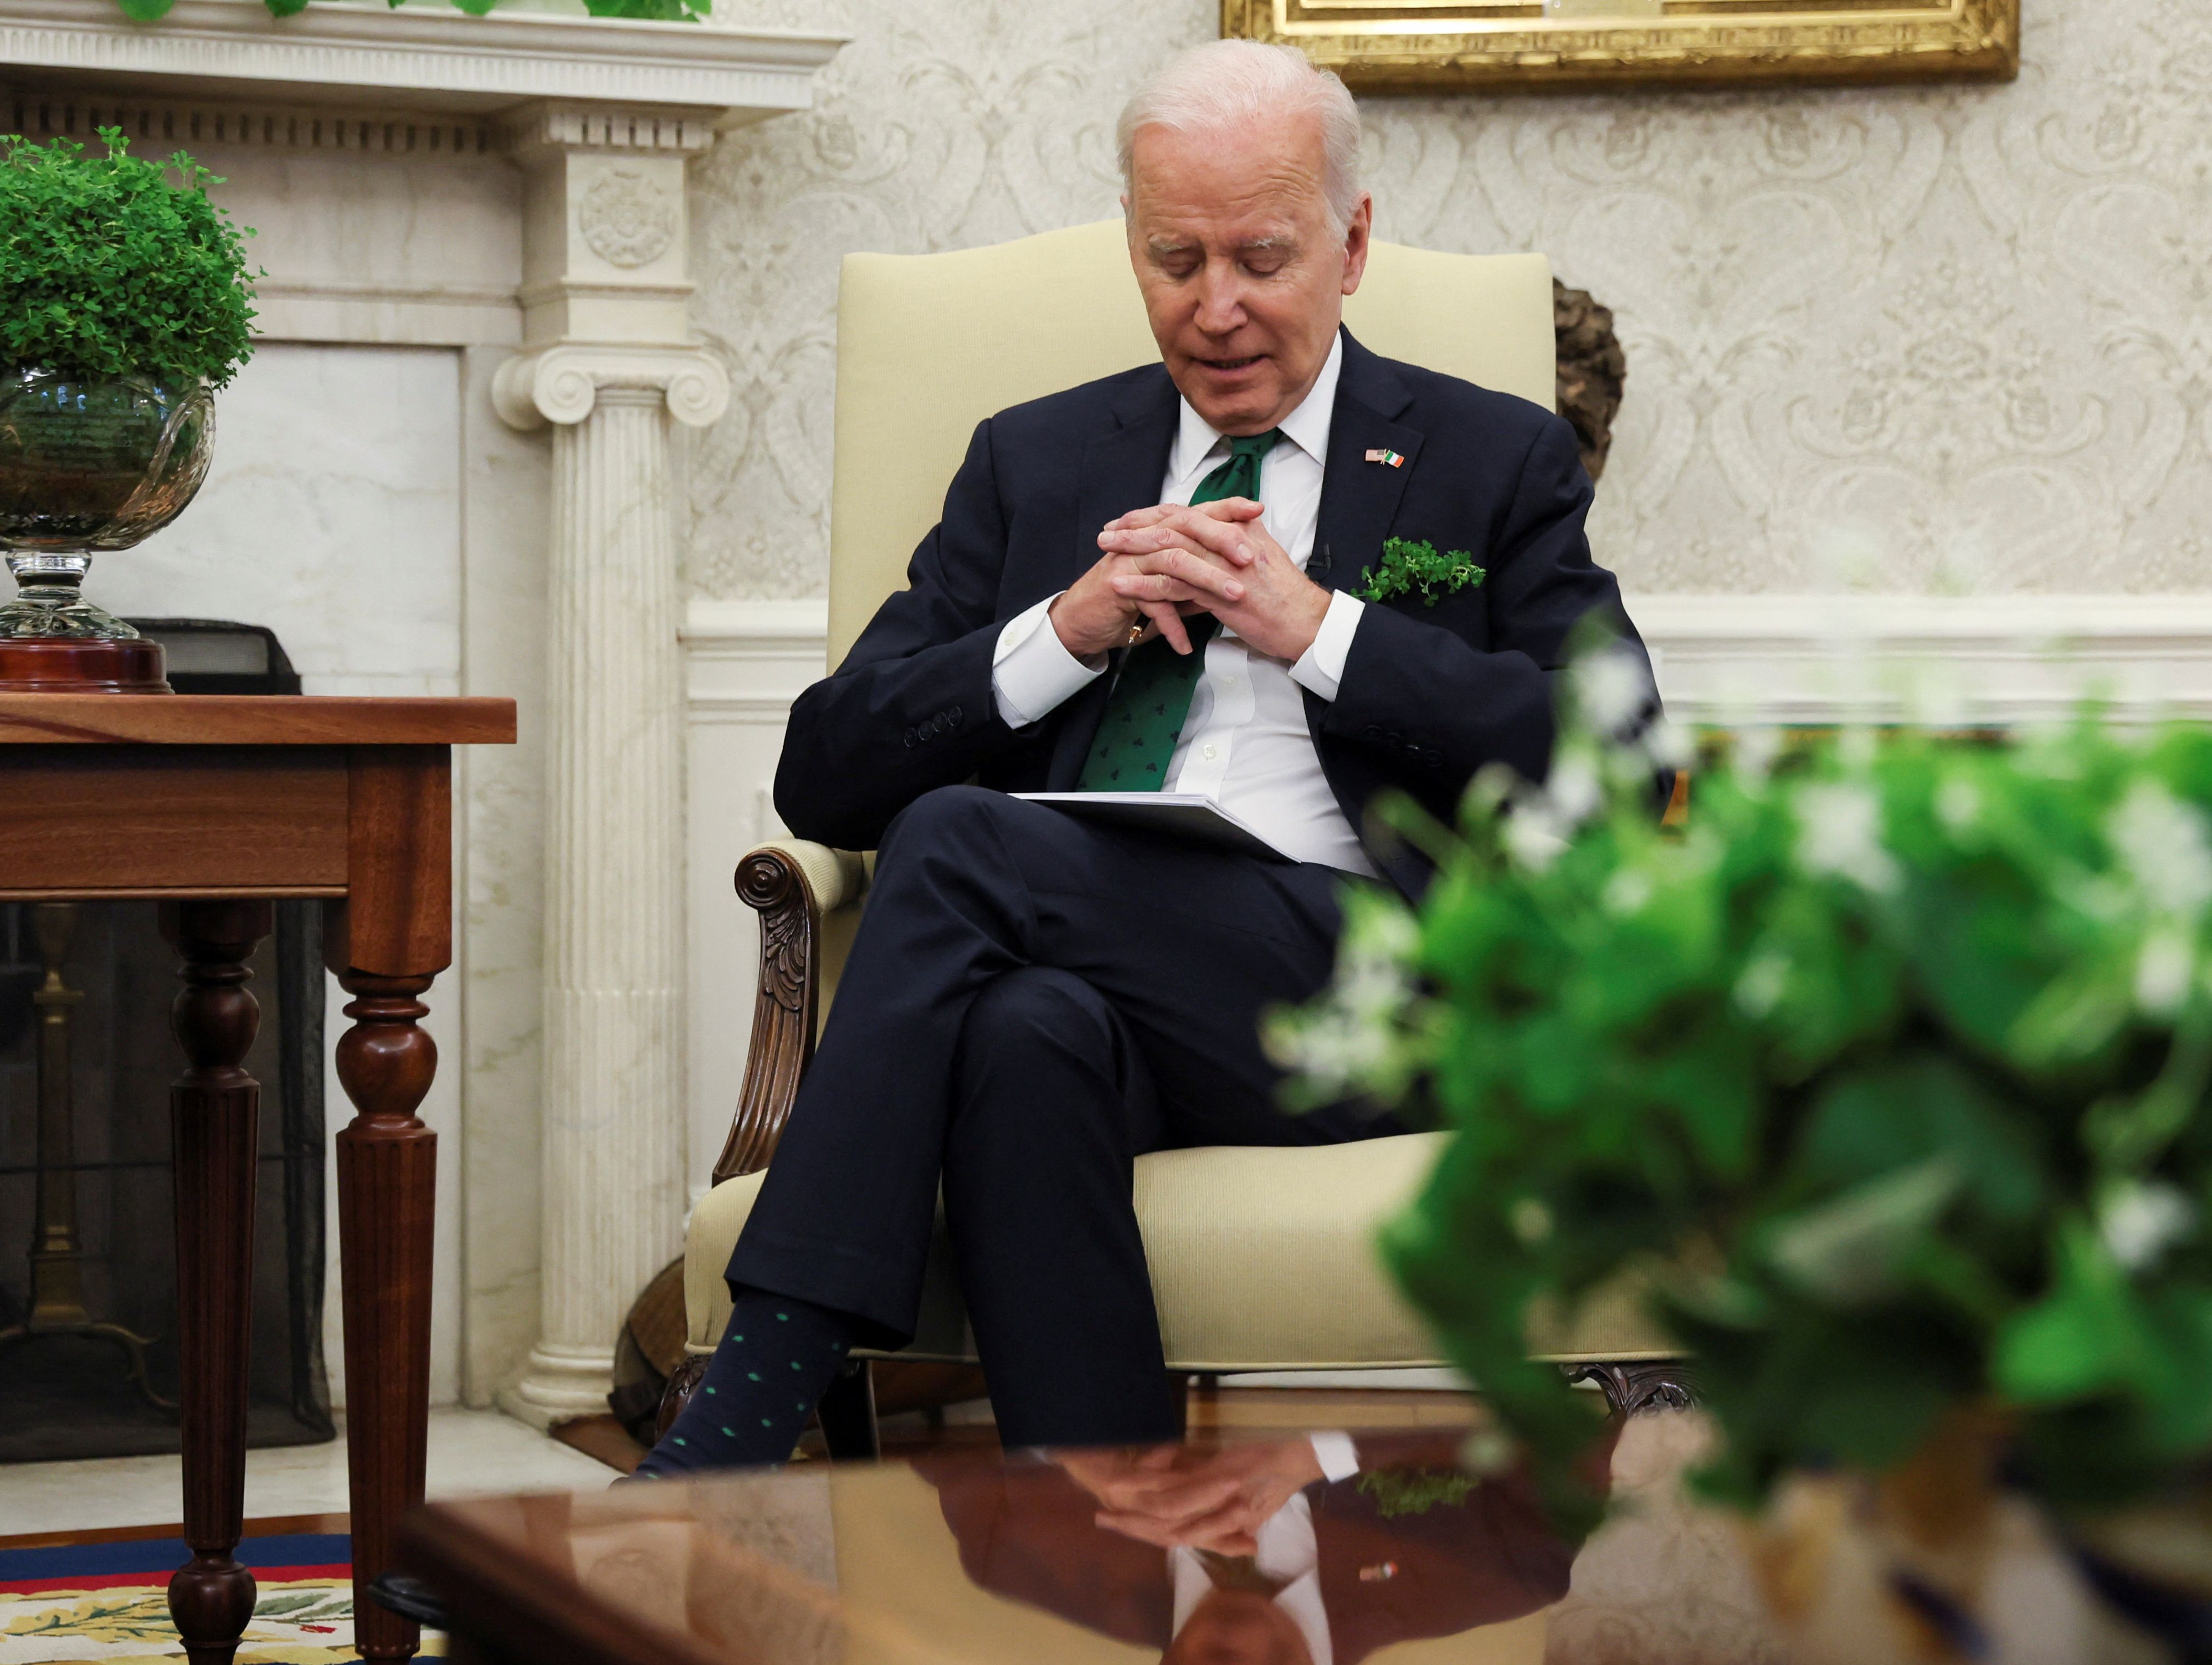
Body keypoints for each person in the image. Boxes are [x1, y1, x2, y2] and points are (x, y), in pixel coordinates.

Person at [636, 37, 1644, 1475]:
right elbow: (825, 768)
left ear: (1349, 246)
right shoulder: (1037, 462)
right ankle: (1109, 1568)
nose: (1215, 308)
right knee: (1018, 1033)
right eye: (1175, 259)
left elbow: (1612, 748)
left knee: (963, 841)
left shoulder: (1488, 457)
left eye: (1260, 257)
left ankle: (737, 1414)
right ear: (1133, 244)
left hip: (1379, 999)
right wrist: (1063, 626)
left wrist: (1318, 629)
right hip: (1114, 990)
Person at [913, 1432, 1591, 1665]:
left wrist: (1065, 1439)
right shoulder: (1503, 1567)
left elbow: (911, 1396)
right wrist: (1325, 1447)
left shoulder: (1009, 1550)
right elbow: (1584, 1394)